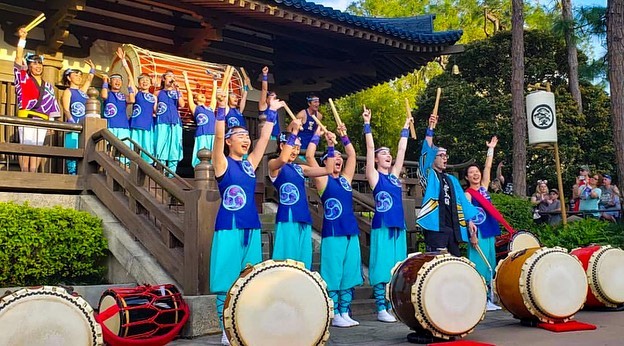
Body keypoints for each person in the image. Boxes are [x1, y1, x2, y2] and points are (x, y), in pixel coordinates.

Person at [210, 89, 282, 345]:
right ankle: (226, 330)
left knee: (250, 280)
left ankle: (248, 326)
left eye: (246, 136)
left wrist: (271, 112)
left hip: (251, 226)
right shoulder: (222, 163)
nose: (246, 139)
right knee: (226, 281)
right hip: (228, 227)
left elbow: (263, 140)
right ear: (230, 142)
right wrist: (220, 111)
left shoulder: (250, 164)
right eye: (240, 135)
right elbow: (218, 136)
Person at [306, 122, 362, 328]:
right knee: (333, 271)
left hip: (350, 230)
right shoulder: (323, 180)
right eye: (333, 157)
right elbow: (310, 158)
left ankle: (345, 310)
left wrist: (344, 135)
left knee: (349, 272)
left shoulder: (346, 180)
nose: (338, 159)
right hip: (333, 232)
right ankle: (334, 311)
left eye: (340, 157)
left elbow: (353, 156)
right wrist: (320, 138)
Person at [362, 106, 409, 323]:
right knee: (381, 265)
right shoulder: (374, 176)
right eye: (384, 153)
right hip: (382, 226)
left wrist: (405, 128)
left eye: (388, 153)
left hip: (398, 226)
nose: (388, 155)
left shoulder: (394, 176)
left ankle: (392, 305)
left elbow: (401, 152)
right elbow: (370, 149)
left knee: (397, 265)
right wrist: (367, 125)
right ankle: (381, 306)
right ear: (377, 160)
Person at [268, 121, 335, 269]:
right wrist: (294, 133)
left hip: (303, 217)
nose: (296, 151)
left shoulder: (300, 168)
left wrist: (330, 146)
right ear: (281, 146)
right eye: (293, 147)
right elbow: (283, 159)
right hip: (288, 218)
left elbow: (328, 170)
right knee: (286, 261)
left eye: (298, 148)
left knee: (303, 263)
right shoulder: (274, 165)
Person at [416, 114, 478, 257]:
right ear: (433, 158)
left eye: (446, 156)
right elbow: (425, 153)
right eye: (441, 156)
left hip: (453, 227)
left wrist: (469, 222)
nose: (445, 158)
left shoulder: (451, 179)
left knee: (455, 263)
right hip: (435, 227)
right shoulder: (428, 175)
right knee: (438, 264)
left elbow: (462, 202)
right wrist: (431, 128)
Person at [463, 136, 504, 311]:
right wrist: (472, 235)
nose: (476, 174)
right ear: (467, 177)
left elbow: (488, 167)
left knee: (490, 265)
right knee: (479, 265)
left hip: (488, 230)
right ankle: (480, 299)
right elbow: (467, 217)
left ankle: (489, 298)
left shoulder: (483, 187)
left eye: (476, 171)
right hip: (477, 233)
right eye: (471, 172)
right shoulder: (468, 194)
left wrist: (491, 149)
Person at [13, 26, 62, 172]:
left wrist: (51, 123)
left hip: (43, 118)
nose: (38, 66)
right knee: (26, 147)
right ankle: (24, 174)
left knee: (37, 148)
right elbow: (17, 59)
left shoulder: (48, 86)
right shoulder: (23, 77)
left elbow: (52, 104)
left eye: (39, 63)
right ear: (28, 66)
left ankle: (33, 173)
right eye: (34, 63)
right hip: (27, 116)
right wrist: (22, 40)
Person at [60, 59, 95, 174]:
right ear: (69, 78)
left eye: (80, 75)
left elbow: (89, 80)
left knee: (84, 150)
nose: (79, 77)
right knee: (73, 150)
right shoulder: (68, 91)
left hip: (84, 124)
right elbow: (66, 109)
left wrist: (92, 69)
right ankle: (72, 174)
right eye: (76, 75)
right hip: (74, 125)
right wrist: (72, 121)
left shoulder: (82, 92)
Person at [183, 71, 218, 167]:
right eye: (199, 94)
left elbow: (214, 96)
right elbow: (189, 92)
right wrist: (185, 77)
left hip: (212, 134)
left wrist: (214, 80)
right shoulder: (195, 108)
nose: (202, 94)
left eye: (203, 94)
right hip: (201, 134)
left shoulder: (211, 107)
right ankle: (197, 170)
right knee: (200, 154)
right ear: (195, 99)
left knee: (213, 155)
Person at [101, 48, 136, 142]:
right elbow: (103, 96)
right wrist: (105, 82)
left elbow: (132, 100)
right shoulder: (108, 93)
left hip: (123, 125)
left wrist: (129, 88)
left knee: (123, 150)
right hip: (110, 125)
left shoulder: (124, 96)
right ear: (110, 82)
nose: (117, 82)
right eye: (115, 80)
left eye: (119, 80)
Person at [154, 70, 185, 176]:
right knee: (161, 143)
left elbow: (182, 104)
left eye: (173, 76)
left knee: (174, 145)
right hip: (162, 121)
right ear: (164, 78)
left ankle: (171, 172)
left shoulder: (177, 92)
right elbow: (153, 108)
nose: (171, 78)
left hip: (175, 122)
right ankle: (160, 169)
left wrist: (178, 89)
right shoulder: (158, 93)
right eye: (169, 76)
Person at [130, 73, 157, 164]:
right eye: (142, 80)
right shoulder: (137, 93)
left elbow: (156, 111)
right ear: (138, 83)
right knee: (135, 145)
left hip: (148, 124)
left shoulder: (154, 97)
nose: (145, 82)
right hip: (136, 123)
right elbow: (130, 78)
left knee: (147, 147)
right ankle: (132, 165)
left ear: (150, 83)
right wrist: (124, 62)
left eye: (147, 80)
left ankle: (146, 166)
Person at [258, 66, 281, 140]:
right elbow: (264, 90)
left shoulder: (274, 109)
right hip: (266, 136)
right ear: (267, 98)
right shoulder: (264, 106)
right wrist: (265, 76)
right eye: (272, 96)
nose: (274, 98)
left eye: (275, 97)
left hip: (276, 135)